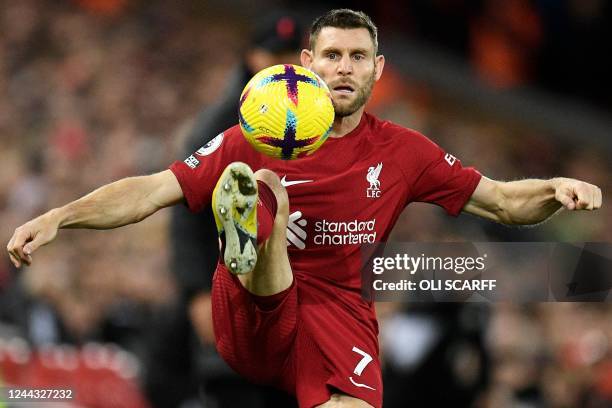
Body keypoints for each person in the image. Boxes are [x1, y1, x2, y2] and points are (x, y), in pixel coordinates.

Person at [7, 9, 602, 408]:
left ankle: (258, 231)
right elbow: (148, 192)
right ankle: (255, 236)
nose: (344, 67)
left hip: (340, 314)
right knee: (263, 197)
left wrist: (553, 190)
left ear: (378, 70)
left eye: (358, 56)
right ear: (307, 65)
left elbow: (500, 201)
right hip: (249, 313)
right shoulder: (252, 134)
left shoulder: (405, 151)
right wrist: (60, 216)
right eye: (332, 55)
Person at [144, 12, 302, 408]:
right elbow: (186, 213)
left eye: (289, 57)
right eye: (272, 55)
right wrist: (197, 292)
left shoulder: (315, 119)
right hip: (231, 289)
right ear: (251, 58)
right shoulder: (220, 125)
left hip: (293, 290)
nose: (281, 66)